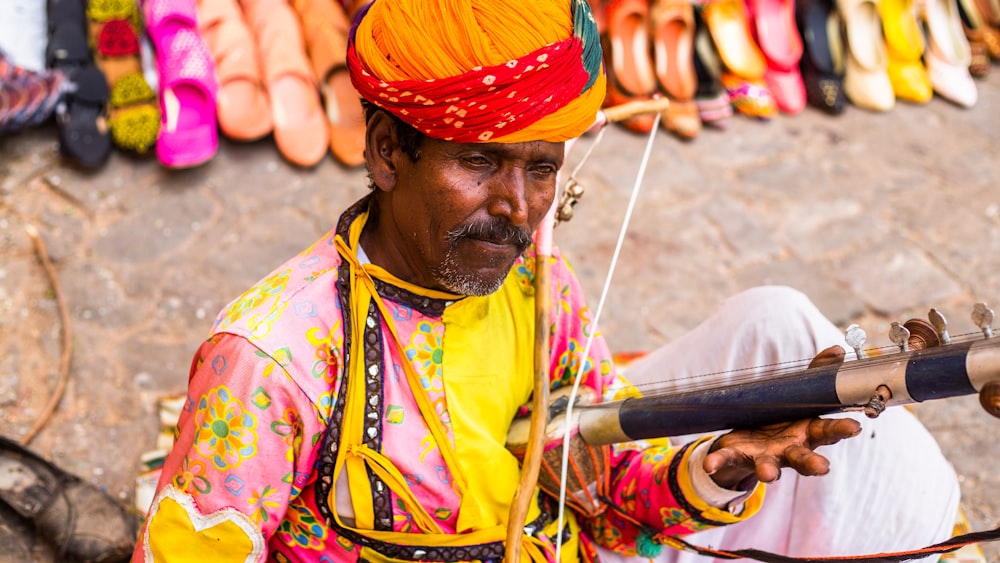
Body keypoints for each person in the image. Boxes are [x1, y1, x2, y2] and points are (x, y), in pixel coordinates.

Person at [132, 0, 959, 561]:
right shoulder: (270, 362)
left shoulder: (536, 283)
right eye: (479, 162)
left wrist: (721, 465)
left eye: (540, 168)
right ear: (388, 150)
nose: (518, 206)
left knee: (811, 364)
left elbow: (594, 485)